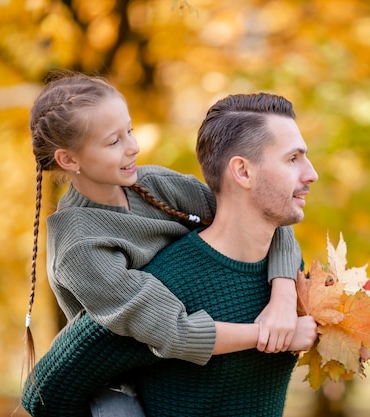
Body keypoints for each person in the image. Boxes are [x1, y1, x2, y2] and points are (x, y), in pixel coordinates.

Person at [22, 91, 319, 417]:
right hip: (117, 375)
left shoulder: (154, 184)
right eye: (113, 142)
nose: (133, 147)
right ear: (69, 160)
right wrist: (275, 335)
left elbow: (261, 209)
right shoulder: (80, 246)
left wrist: (283, 294)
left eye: (130, 131)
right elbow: (176, 332)